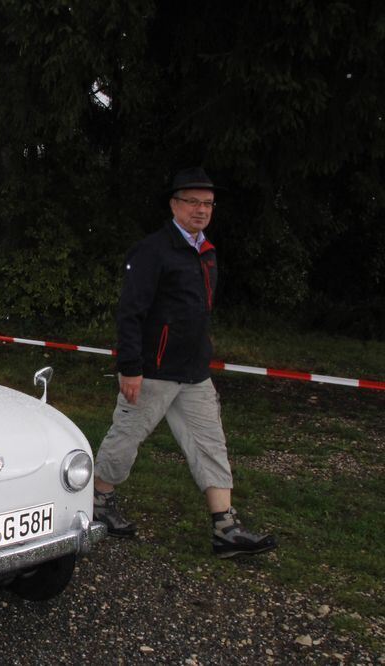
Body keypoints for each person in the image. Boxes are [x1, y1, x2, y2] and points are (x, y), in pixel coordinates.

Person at [92, 167, 277, 559]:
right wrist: (130, 367)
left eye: (207, 203)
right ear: (174, 204)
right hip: (153, 372)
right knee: (126, 437)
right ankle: (98, 502)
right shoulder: (153, 250)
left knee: (211, 443)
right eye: (192, 201)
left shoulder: (206, 252)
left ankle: (224, 527)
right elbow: (130, 312)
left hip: (194, 373)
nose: (201, 209)